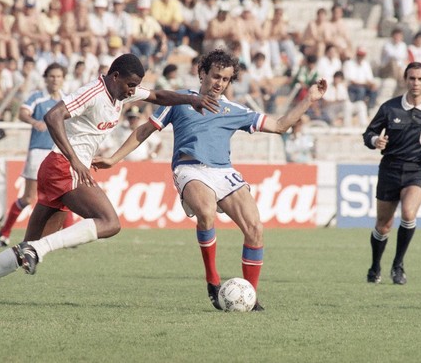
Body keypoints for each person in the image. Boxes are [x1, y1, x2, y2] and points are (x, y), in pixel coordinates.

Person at [0, 53, 219, 308]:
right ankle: (37, 250)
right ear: (115, 77)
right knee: (110, 223)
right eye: (131, 85)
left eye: (136, 86)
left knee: (28, 246)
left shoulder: (122, 94)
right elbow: (53, 116)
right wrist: (74, 158)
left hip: (59, 168)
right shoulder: (93, 92)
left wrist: (190, 99)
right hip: (64, 166)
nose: (133, 91)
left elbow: (158, 95)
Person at [92, 49, 327, 311]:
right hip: (189, 168)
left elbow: (280, 125)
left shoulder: (233, 109)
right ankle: (213, 281)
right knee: (205, 211)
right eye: (215, 76)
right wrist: (114, 159)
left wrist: (310, 99)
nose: (219, 83)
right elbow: (145, 130)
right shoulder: (180, 101)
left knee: (255, 228)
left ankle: (249, 296)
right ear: (202, 73)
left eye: (225, 79)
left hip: (223, 171)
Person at [362, 62, 421, 285]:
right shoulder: (390, 108)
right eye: (412, 78)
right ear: (405, 80)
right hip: (390, 169)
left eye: (420, 79)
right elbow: (368, 133)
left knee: (409, 214)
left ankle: (398, 265)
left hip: (416, 170)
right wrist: (375, 140)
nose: (416, 83)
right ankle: (375, 266)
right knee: (383, 225)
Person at [0, 63, 73, 247]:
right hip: (38, 151)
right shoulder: (37, 98)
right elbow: (23, 113)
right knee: (29, 197)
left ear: (63, 79)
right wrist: (34, 122)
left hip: (58, 152)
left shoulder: (67, 99)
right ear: (46, 78)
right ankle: (5, 231)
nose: (55, 80)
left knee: (65, 194)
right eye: (52, 76)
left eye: (58, 76)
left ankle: (70, 238)